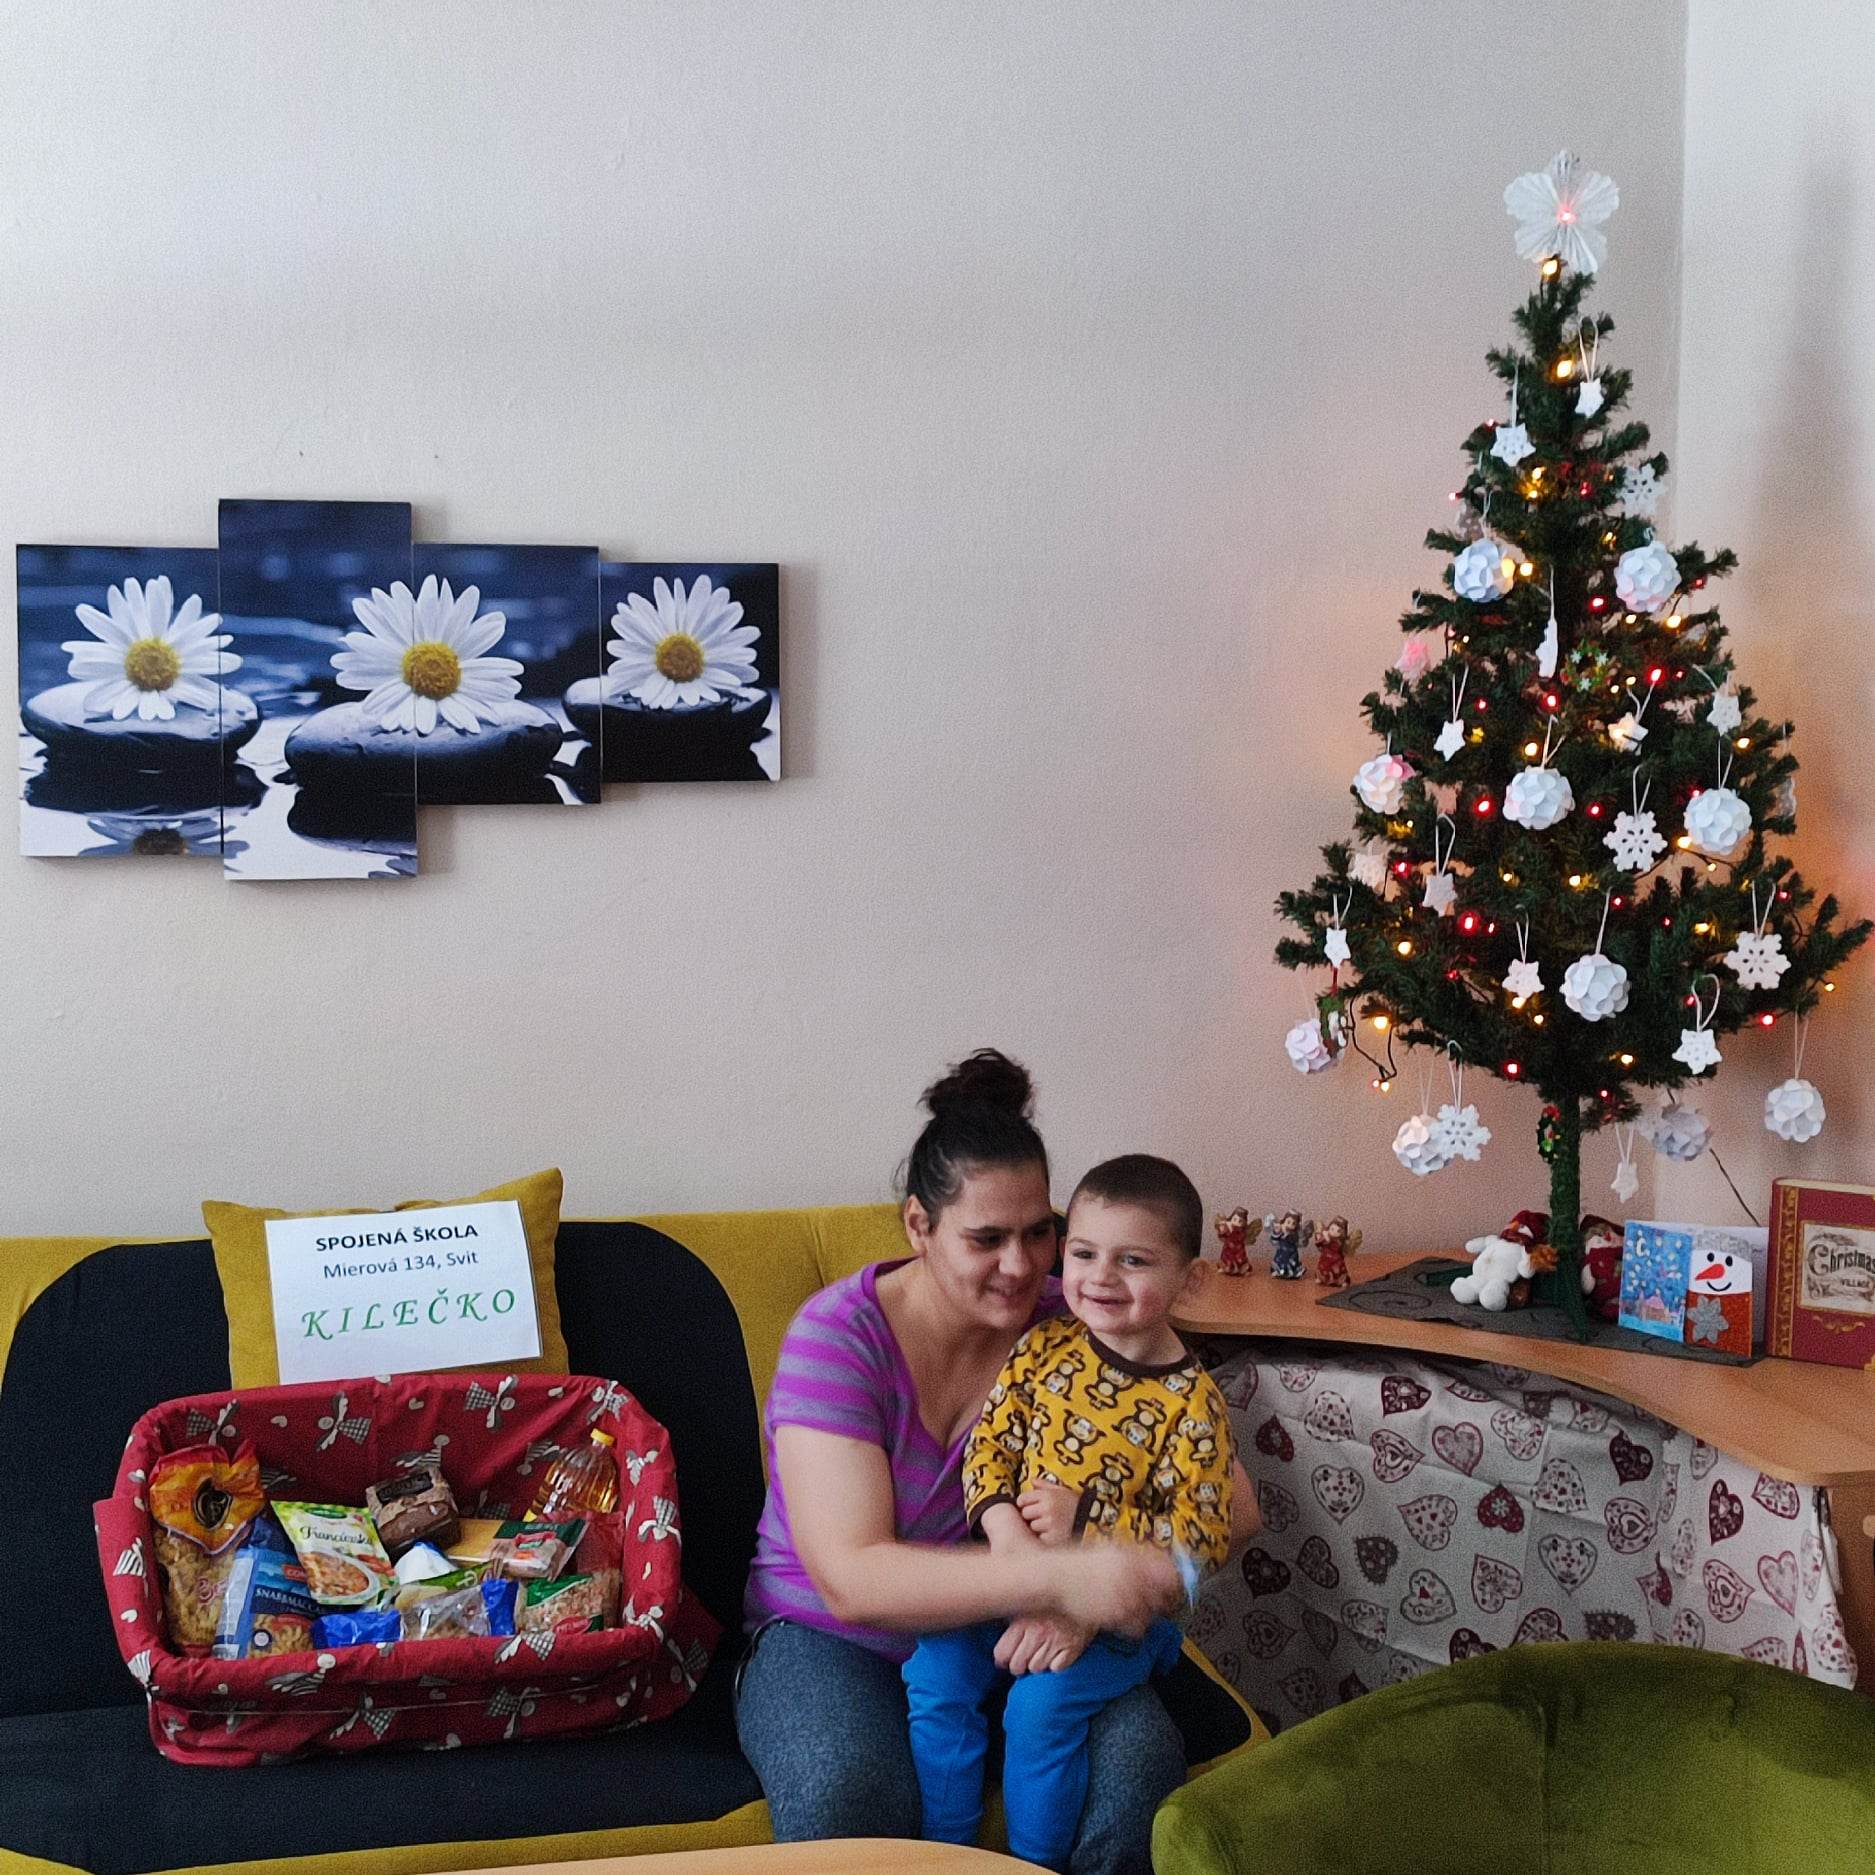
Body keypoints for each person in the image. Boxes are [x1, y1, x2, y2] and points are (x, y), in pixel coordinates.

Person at [735, 1050, 1259, 1875]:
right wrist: (1058, 1576)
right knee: (848, 1790)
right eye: (986, 1238)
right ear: (919, 1224)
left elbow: (1233, 1507)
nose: (1021, 1265)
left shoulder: (1076, 1319)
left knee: (1134, 1774)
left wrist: (1095, 1588)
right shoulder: (837, 1339)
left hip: (1019, 1627)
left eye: (1039, 1231)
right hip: (833, 1636)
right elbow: (852, 1579)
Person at [902, 1154, 1235, 1871]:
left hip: (1121, 1617)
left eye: (1133, 1260)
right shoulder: (1046, 1344)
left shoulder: (1192, 1404)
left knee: (1038, 1710)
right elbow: (989, 1448)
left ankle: (1033, 1863)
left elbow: (1201, 1540)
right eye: (1083, 1253)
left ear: (1190, 1279)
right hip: (1010, 1575)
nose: (1101, 1276)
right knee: (936, 1671)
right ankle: (944, 1855)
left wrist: (1087, 1524)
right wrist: (1011, 1540)